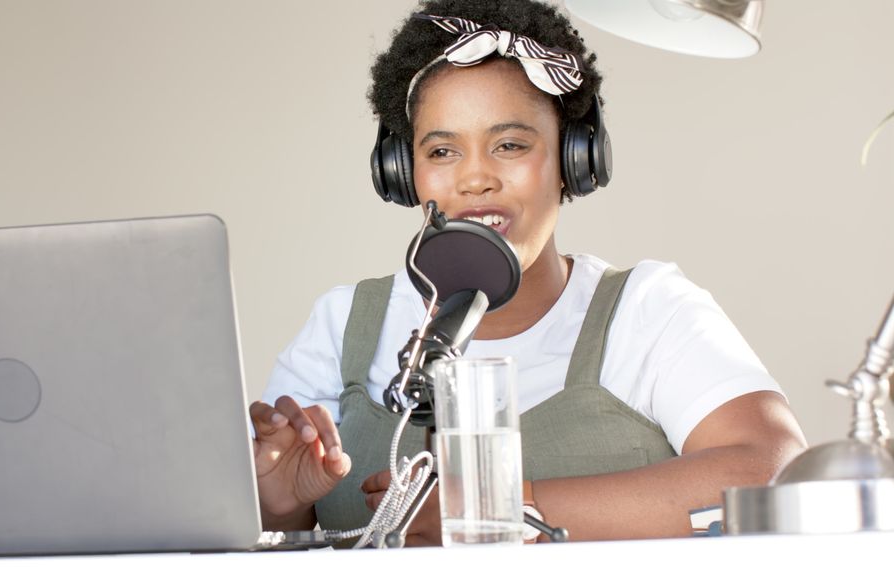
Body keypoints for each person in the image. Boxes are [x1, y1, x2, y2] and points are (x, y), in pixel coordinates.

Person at [250, 0, 807, 546]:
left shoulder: (648, 309)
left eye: (510, 144)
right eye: (442, 151)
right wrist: (281, 502)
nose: (475, 178)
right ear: (402, 173)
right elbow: (261, 532)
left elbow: (775, 470)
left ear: (575, 160)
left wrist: (498, 512)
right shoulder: (342, 323)